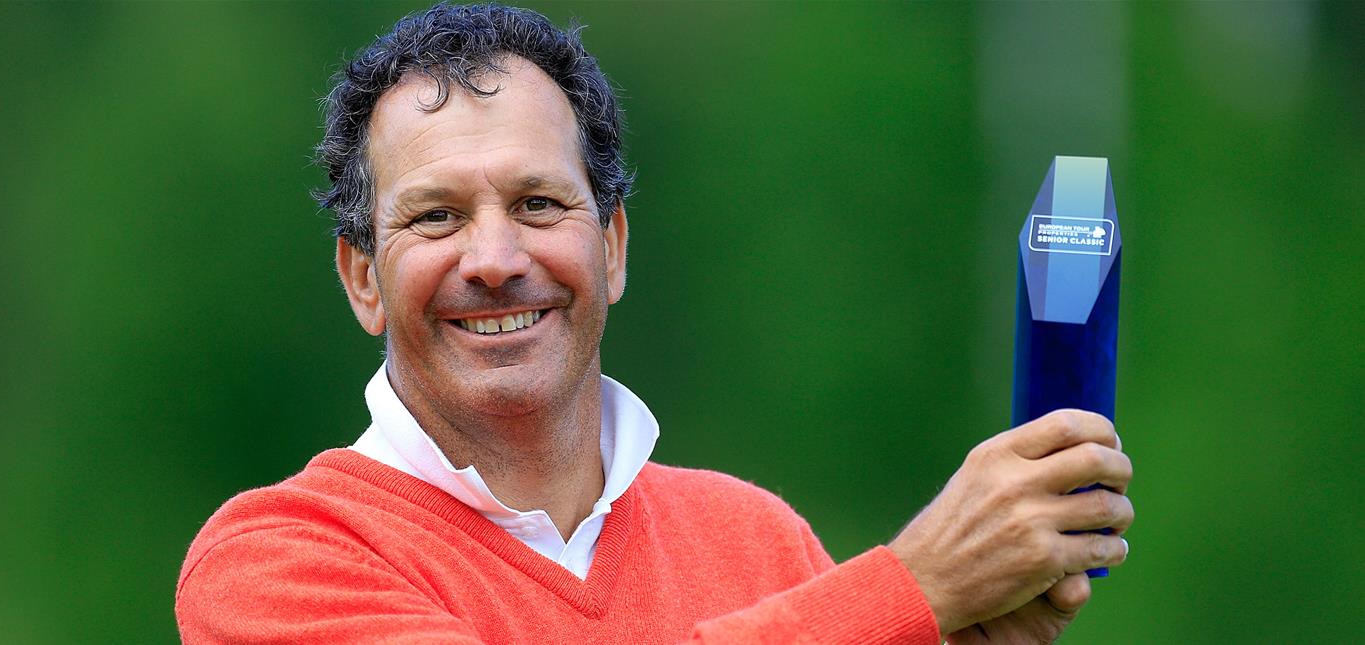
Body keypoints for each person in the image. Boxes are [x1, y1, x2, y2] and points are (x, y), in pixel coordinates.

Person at [175, 4, 1134, 643]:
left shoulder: (758, 539)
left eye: (539, 203)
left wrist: (943, 634)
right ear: (362, 279)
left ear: (613, 246)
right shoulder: (271, 563)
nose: (494, 257)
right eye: (436, 216)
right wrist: (906, 590)